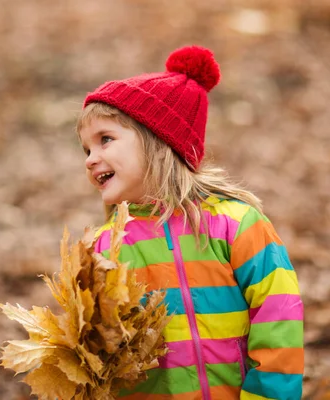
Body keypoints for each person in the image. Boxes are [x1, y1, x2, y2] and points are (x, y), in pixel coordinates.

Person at [76, 45, 304, 400]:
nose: (91, 159)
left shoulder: (237, 225)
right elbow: (97, 355)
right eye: (86, 150)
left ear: (159, 141)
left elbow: (279, 317)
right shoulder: (107, 248)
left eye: (105, 139)